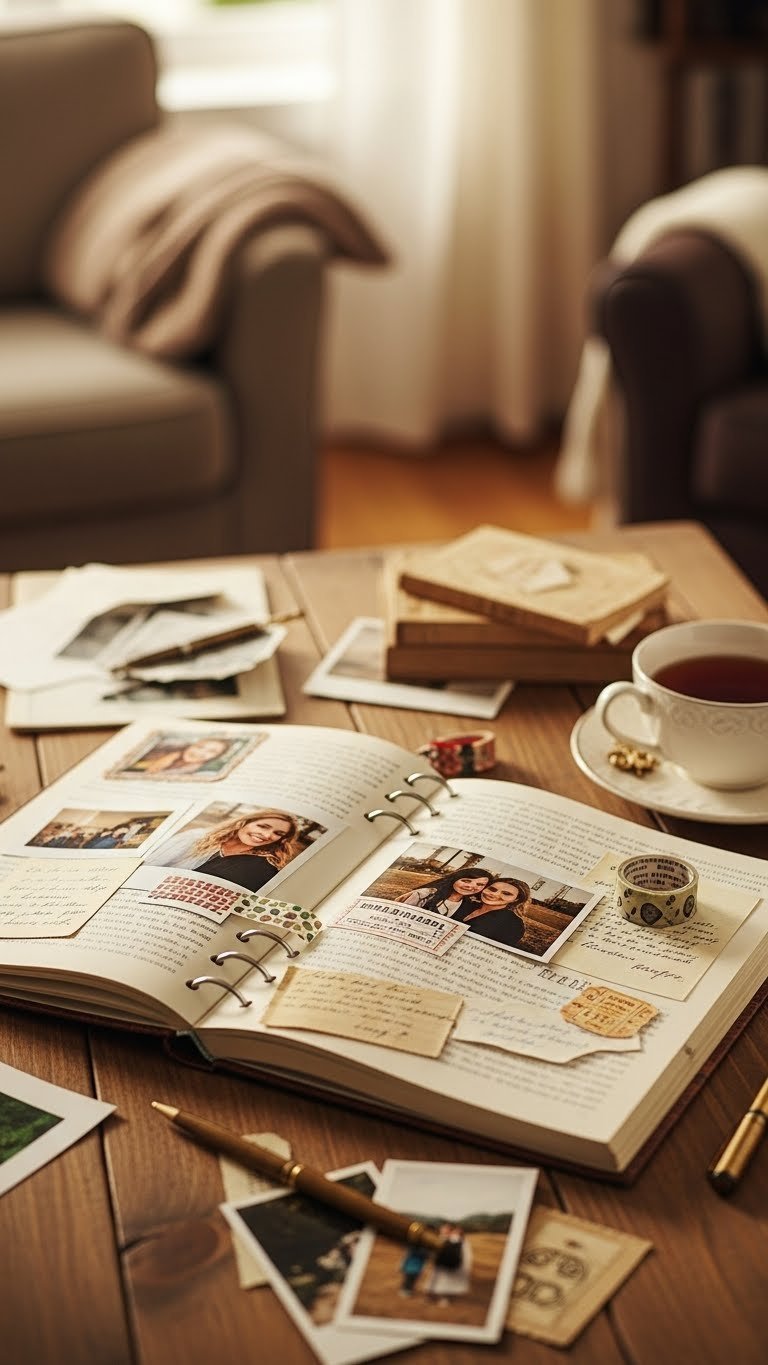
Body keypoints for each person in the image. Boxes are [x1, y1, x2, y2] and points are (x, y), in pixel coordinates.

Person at [147, 809, 299, 892]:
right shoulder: (196, 837)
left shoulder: (265, 866)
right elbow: (149, 865)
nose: (267, 836)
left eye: (278, 834)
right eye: (263, 826)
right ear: (243, 822)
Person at [450, 877, 534, 948]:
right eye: (492, 889)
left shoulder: (513, 923)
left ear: (516, 899)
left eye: (506, 893)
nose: (494, 894)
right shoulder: (465, 904)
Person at [397, 868, 493, 917]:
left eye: (480, 884)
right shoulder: (423, 894)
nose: (471, 886)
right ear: (454, 879)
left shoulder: (469, 906)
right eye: (466, 881)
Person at [123, 736, 232, 777]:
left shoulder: (195, 774)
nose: (200, 752)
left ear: (215, 757)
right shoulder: (163, 750)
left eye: (211, 751)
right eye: (200, 746)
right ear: (192, 745)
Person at [425, 1225, 472, 1306]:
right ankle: (437, 1297)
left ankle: (442, 1298)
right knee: (439, 1281)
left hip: (447, 1265)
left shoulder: (455, 1241)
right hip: (444, 1265)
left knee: (444, 1282)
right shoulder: (451, 1240)